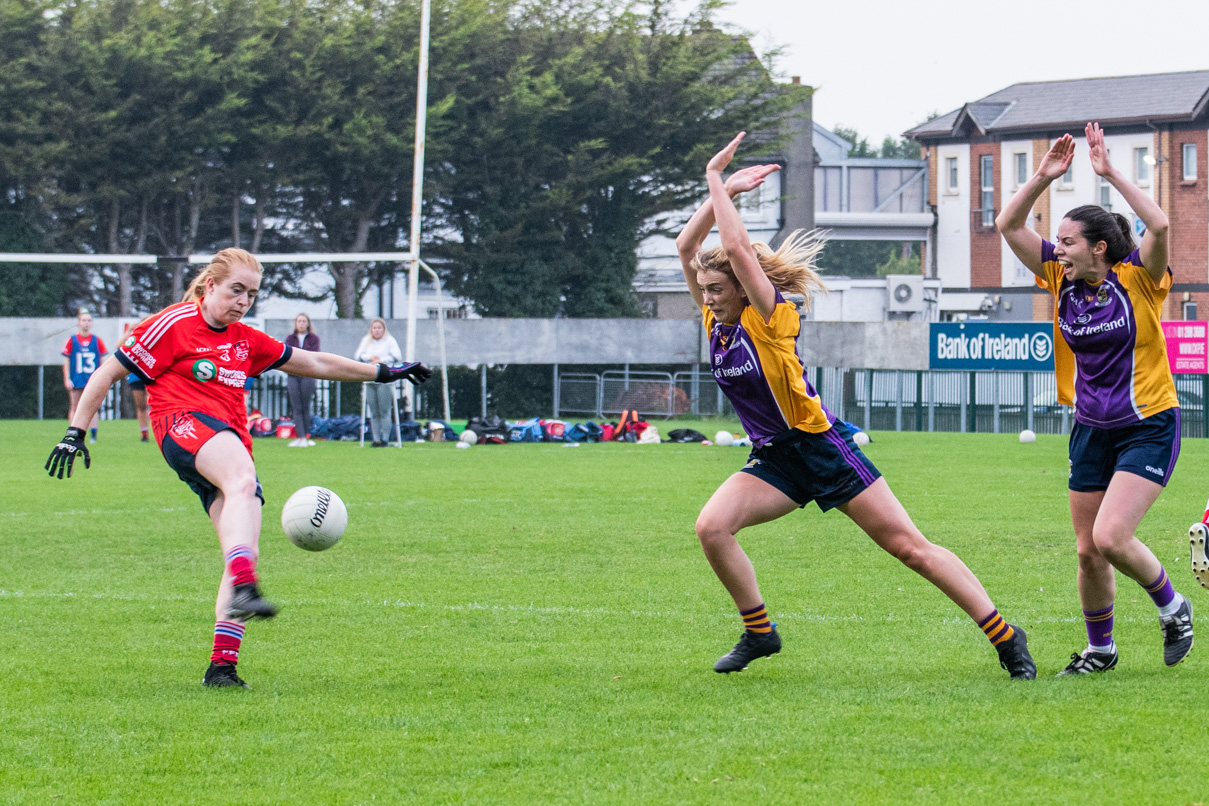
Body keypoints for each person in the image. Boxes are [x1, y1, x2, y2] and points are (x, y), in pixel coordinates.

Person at [676, 132, 1035, 679]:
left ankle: (1006, 637)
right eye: (704, 288)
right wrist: (720, 188)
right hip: (776, 457)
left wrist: (716, 184)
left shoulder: (768, 319)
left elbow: (741, 250)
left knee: (909, 549)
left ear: (745, 289)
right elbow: (686, 246)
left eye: (718, 288)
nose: (708, 296)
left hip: (822, 447)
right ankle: (760, 632)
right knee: (711, 527)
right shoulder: (714, 321)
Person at [45, 248, 431, 689]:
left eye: (251, 294)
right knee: (242, 480)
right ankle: (248, 587)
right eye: (236, 290)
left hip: (225, 443)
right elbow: (106, 371)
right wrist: (75, 431)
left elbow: (318, 363)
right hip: (181, 426)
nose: (243, 301)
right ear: (210, 286)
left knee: (242, 539)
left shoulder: (246, 340)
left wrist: (383, 372)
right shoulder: (173, 324)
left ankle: (222, 668)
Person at [997, 122, 1193, 674]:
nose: (1057, 250)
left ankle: (1174, 607)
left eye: (1067, 241)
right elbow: (1007, 224)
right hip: (1090, 426)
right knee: (1087, 549)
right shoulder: (1060, 280)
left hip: (1148, 422)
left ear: (1098, 247)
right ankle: (1101, 651)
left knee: (1111, 537)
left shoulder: (1139, 278)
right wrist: (1042, 175)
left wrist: (1109, 173)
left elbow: (1159, 222)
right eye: (1056, 242)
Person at [354, 318, 403, 447]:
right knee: (373, 411)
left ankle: (385, 439)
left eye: (379, 328)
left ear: (383, 329)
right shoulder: (366, 341)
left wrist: (381, 360)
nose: (376, 330)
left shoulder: (390, 341)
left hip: (384, 379)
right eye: (374, 328)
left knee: (384, 410)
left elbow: (397, 356)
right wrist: (369, 358)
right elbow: (358, 355)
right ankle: (375, 439)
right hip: (370, 378)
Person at [62, 309, 107, 443]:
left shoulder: (97, 340)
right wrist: (67, 378)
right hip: (76, 378)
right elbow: (67, 361)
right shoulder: (72, 340)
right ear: (78, 322)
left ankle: (93, 435)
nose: (86, 323)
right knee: (75, 406)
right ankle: (73, 432)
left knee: (92, 406)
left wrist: (101, 378)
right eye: (84, 320)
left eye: (88, 320)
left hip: (91, 379)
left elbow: (102, 362)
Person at [284, 313, 320, 447]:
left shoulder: (314, 339)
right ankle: (300, 436)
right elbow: (288, 355)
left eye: (304, 321)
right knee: (296, 406)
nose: (301, 324)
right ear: (295, 323)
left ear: (308, 323)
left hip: (308, 375)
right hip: (293, 375)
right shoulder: (290, 338)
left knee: (306, 405)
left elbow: (314, 356)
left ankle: (307, 435)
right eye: (299, 321)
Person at [122, 323, 152, 442]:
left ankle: (159, 431)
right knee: (141, 405)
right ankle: (144, 434)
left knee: (154, 403)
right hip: (136, 375)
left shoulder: (155, 338)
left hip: (150, 374)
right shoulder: (135, 337)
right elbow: (119, 346)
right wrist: (129, 331)